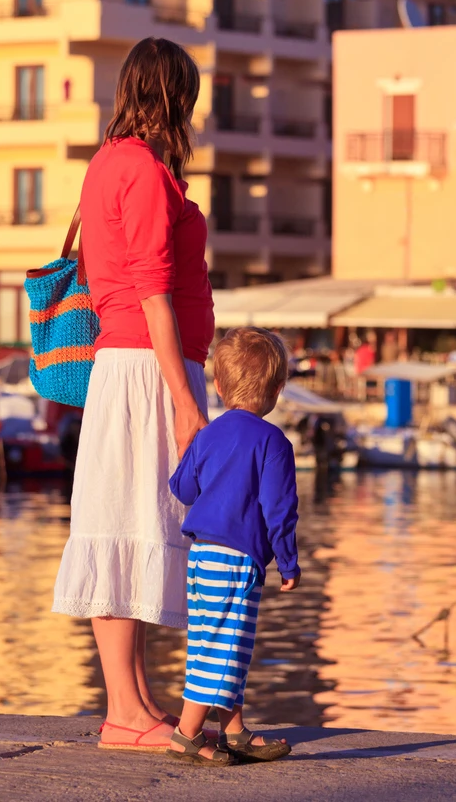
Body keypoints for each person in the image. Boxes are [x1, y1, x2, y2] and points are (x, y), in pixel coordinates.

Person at [51, 37, 215, 752]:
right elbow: (151, 289)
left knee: (135, 525)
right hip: (147, 367)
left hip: (130, 365)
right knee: (127, 525)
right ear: (174, 96)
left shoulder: (107, 164)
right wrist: (184, 399)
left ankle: (136, 704)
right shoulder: (144, 171)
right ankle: (123, 713)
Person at [166, 327, 300, 766]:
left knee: (218, 638)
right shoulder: (273, 443)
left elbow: (183, 489)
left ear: (218, 387)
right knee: (224, 643)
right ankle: (186, 733)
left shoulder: (208, 436)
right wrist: (288, 560)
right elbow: (279, 509)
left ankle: (233, 728)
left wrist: (190, 450)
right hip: (238, 557)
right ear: (277, 390)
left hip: (202, 555)